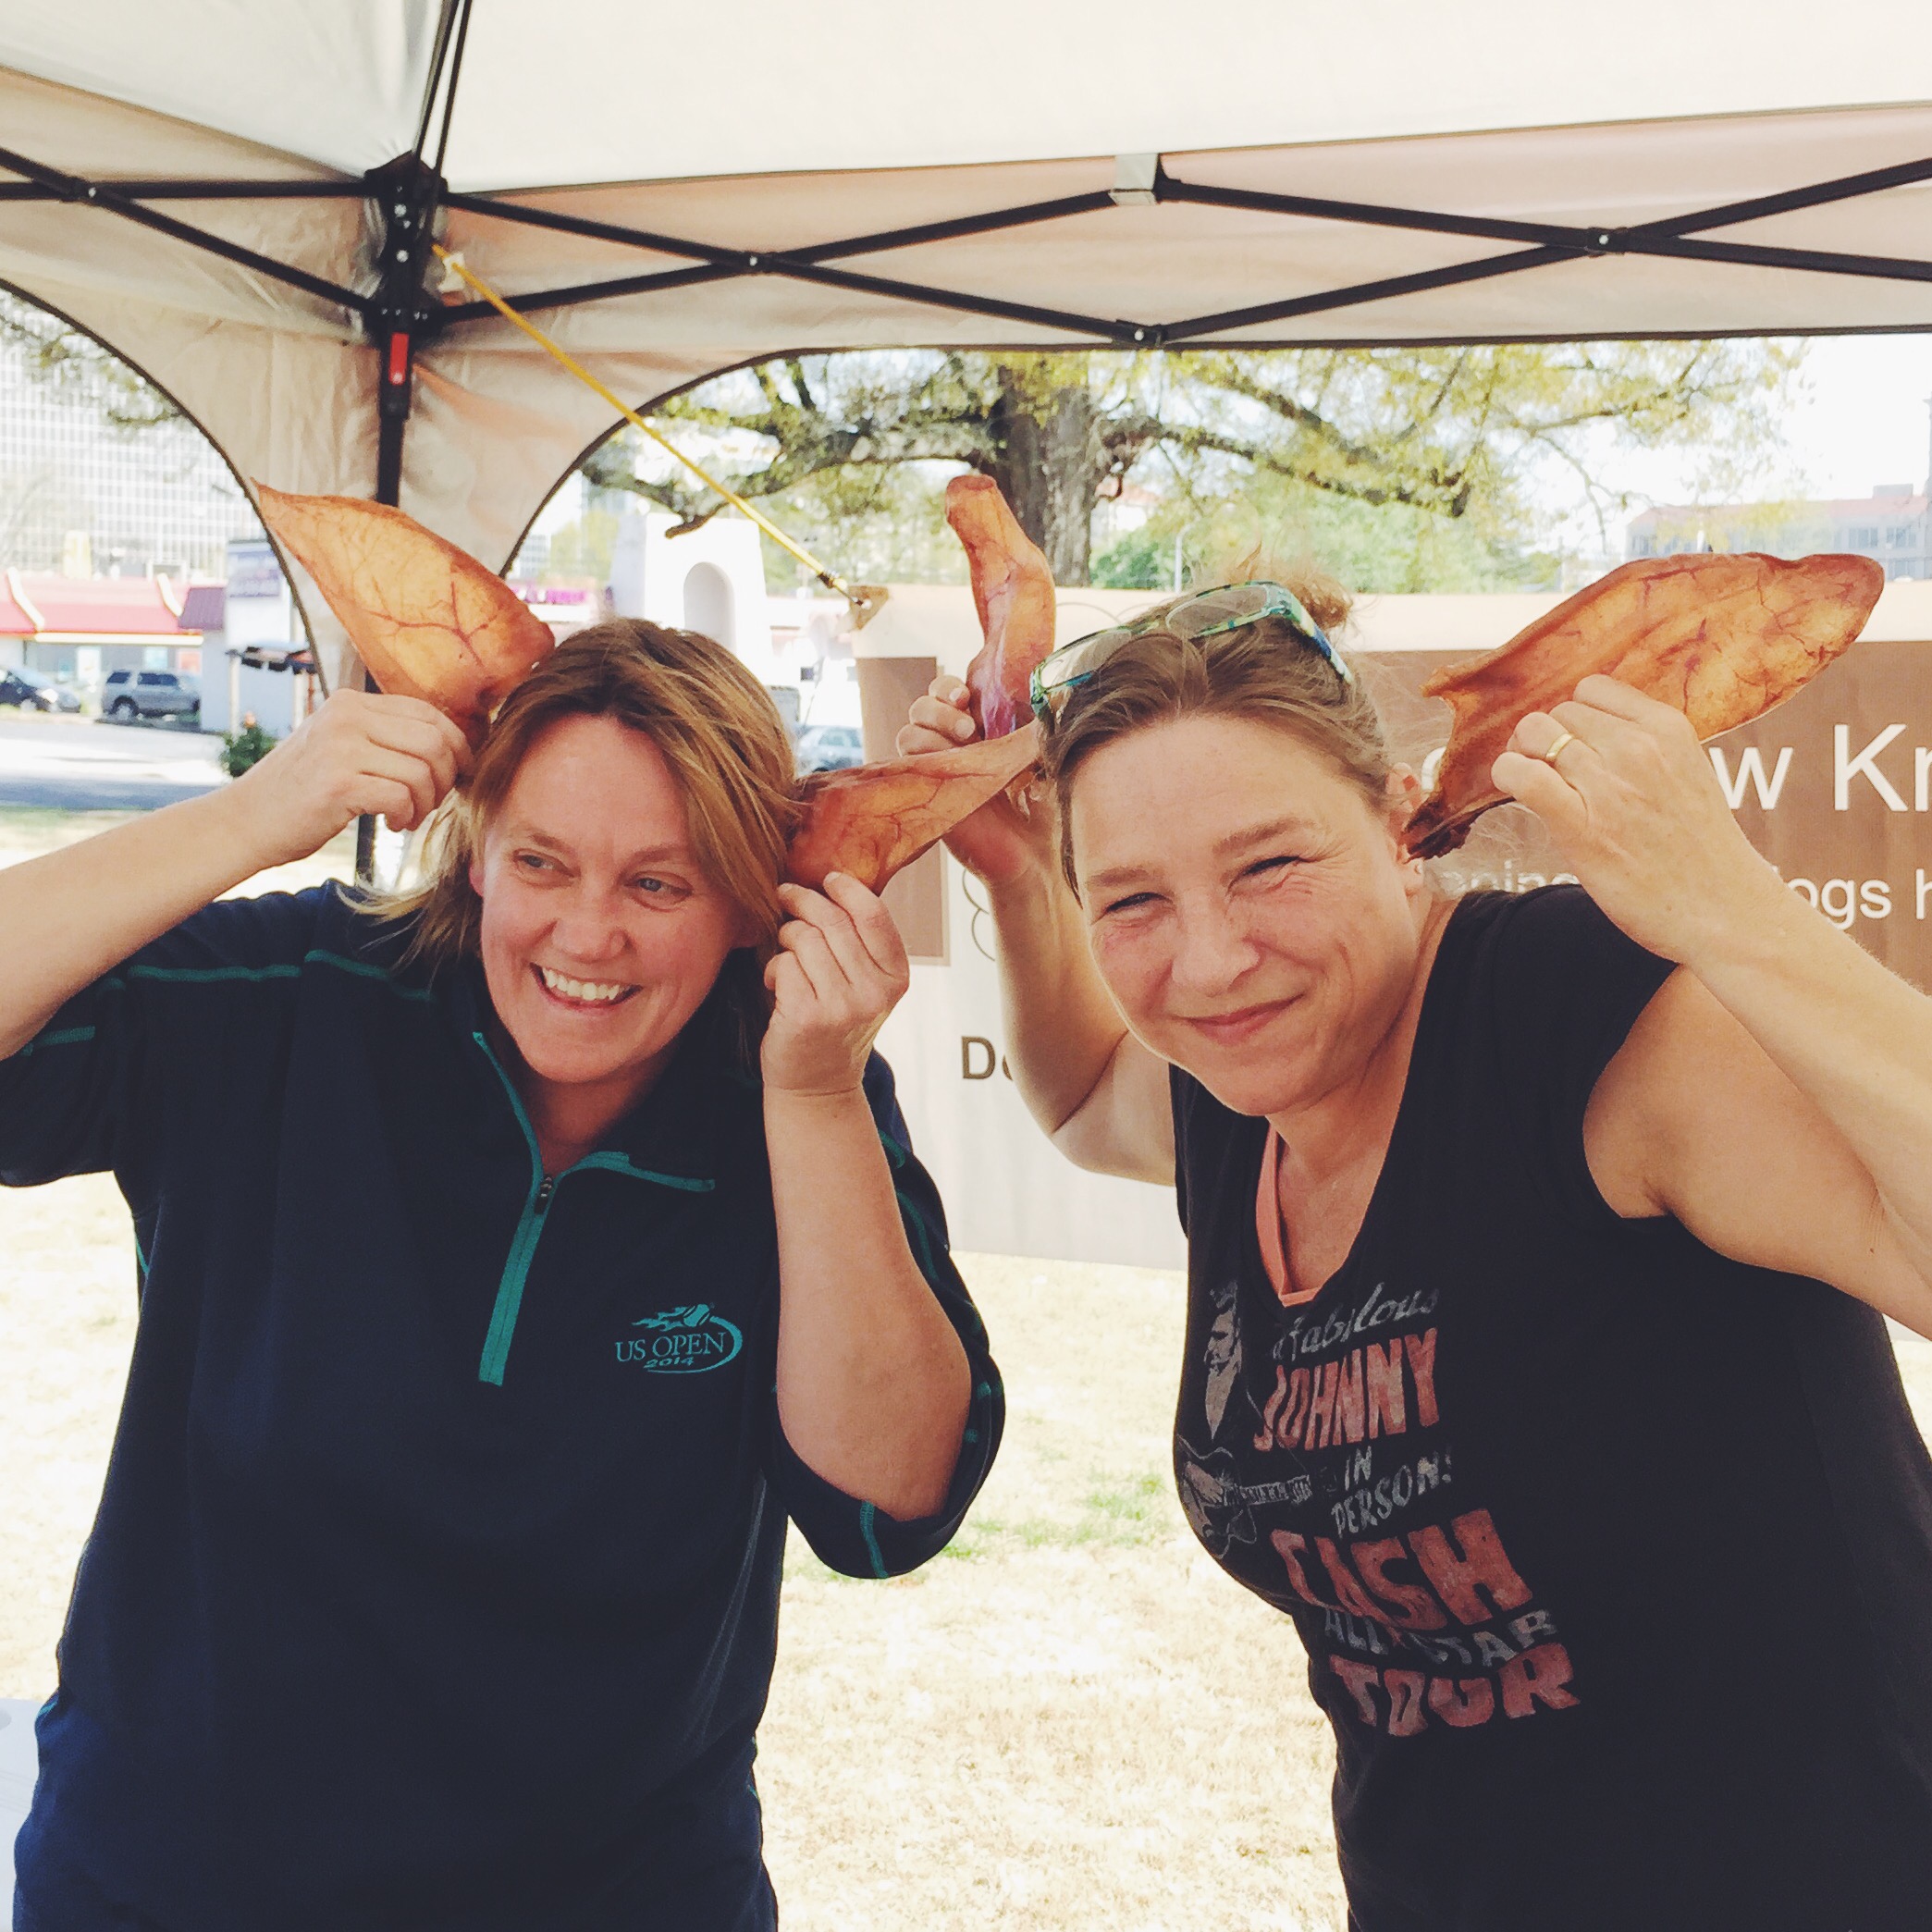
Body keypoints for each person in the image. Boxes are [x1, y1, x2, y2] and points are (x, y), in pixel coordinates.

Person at [898, 572, 1932, 1930]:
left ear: (1398, 824)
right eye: (1131, 900)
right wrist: (1021, 878)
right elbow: (1090, 1097)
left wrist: (1727, 904)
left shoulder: (1572, 1016)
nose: (1210, 963)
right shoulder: (1237, 1092)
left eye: (1270, 865)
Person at [2, 620, 1002, 1932]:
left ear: (754, 900)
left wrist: (814, 1095)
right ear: (476, 849)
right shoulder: (292, 989)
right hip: (177, 1878)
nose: (588, 933)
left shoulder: (793, 1084)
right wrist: (252, 815)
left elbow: (889, 1504)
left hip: (616, 1892)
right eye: (541, 861)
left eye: (660, 883)